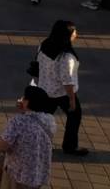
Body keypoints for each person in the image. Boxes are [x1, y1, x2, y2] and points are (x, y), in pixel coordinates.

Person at [34, 19, 86, 156]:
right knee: (74, 116)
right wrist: (72, 100)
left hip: (45, 89)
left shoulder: (44, 45)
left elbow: (38, 65)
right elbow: (67, 80)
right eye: (74, 32)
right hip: (62, 93)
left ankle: (37, 143)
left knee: (42, 119)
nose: (76, 34)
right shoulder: (66, 56)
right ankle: (70, 146)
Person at [0, 84, 57, 189]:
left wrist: (21, 113)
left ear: (27, 102)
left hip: (19, 174)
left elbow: (2, 146)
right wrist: (24, 111)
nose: (21, 99)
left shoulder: (18, 122)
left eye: (24, 98)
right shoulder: (50, 120)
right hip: (38, 173)